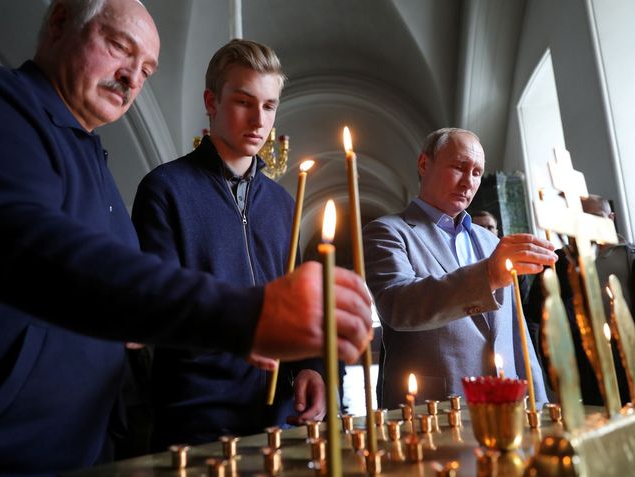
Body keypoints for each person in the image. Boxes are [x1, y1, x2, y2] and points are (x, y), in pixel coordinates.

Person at [0, 1, 372, 474]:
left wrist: (312, 365)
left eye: (147, 69)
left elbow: (126, 306)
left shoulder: (94, 158)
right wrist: (247, 315)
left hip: (89, 440)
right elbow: (31, 249)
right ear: (59, 23)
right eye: (119, 47)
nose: (132, 77)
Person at [131, 39, 325, 447]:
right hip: (197, 415)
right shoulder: (165, 190)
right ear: (211, 102)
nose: (259, 119)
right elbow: (156, 307)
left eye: (269, 106)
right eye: (243, 101)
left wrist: (311, 368)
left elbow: (300, 301)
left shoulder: (284, 203)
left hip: (278, 416)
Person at [363, 127, 556, 408]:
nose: (468, 182)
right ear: (424, 164)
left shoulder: (492, 241)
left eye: (477, 172)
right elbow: (397, 305)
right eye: (459, 167)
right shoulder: (388, 232)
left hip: (507, 404)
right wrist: (488, 276)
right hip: (434, 404)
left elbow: (518, 333)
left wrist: (540, 405)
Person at [525, 194, 635, 405]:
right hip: (584, 373)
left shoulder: (629, 256)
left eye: (594, 217)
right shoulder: (555, 264)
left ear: (610, 218)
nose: (586, 225)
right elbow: (536, 320)